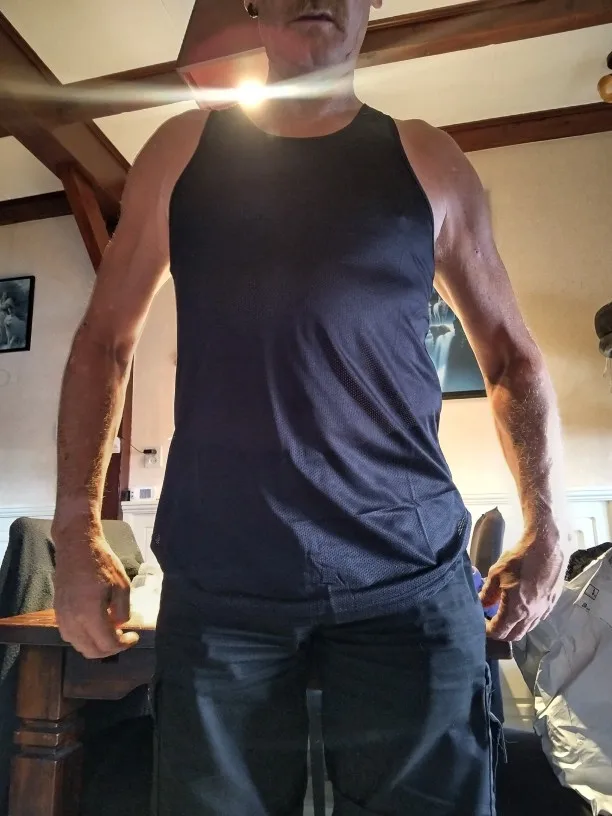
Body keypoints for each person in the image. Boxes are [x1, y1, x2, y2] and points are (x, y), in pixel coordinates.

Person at [51, 1, 568, 814]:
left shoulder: (427, 158)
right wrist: (76, 530)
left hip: (409, 580)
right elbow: (103, 343)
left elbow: (511, 356)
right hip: (222, 589)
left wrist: (550, 523)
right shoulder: (179, 155)